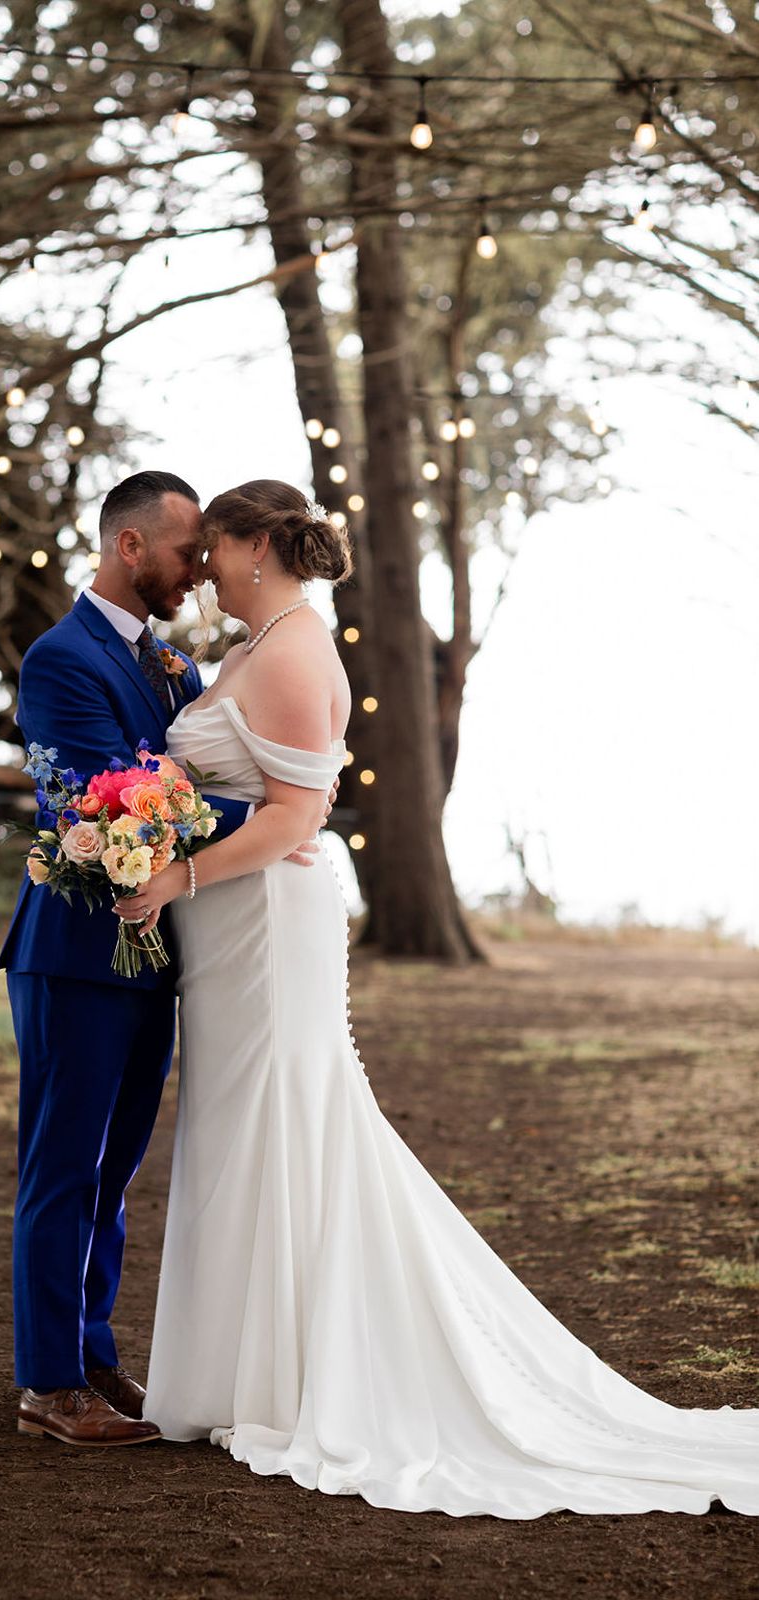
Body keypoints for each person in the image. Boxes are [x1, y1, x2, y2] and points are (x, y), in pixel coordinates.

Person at [116, 478, 759, 1518]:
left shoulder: (288, 653)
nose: (201, 565)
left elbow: (296, 816)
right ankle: (244, 1372)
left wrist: (172, 876)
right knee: (245, 1132)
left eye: (215, 547)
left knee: (285, 1123)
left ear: (253, 548)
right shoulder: (251, 644)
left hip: (266, 926)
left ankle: (291, 1377)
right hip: (232, 934)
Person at [0, 471, 330, 1448]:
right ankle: (48, 1386)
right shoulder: (63, 658)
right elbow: (105, 798)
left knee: (114, 1171)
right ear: (130, 548)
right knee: (62, 1167)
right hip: (72, 949)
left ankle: (92, 1351)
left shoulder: (175, 665)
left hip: (154, 954)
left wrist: (269, 810)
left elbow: (182, 765)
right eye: (186, 550)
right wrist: (274, 818)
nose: (200, 568)